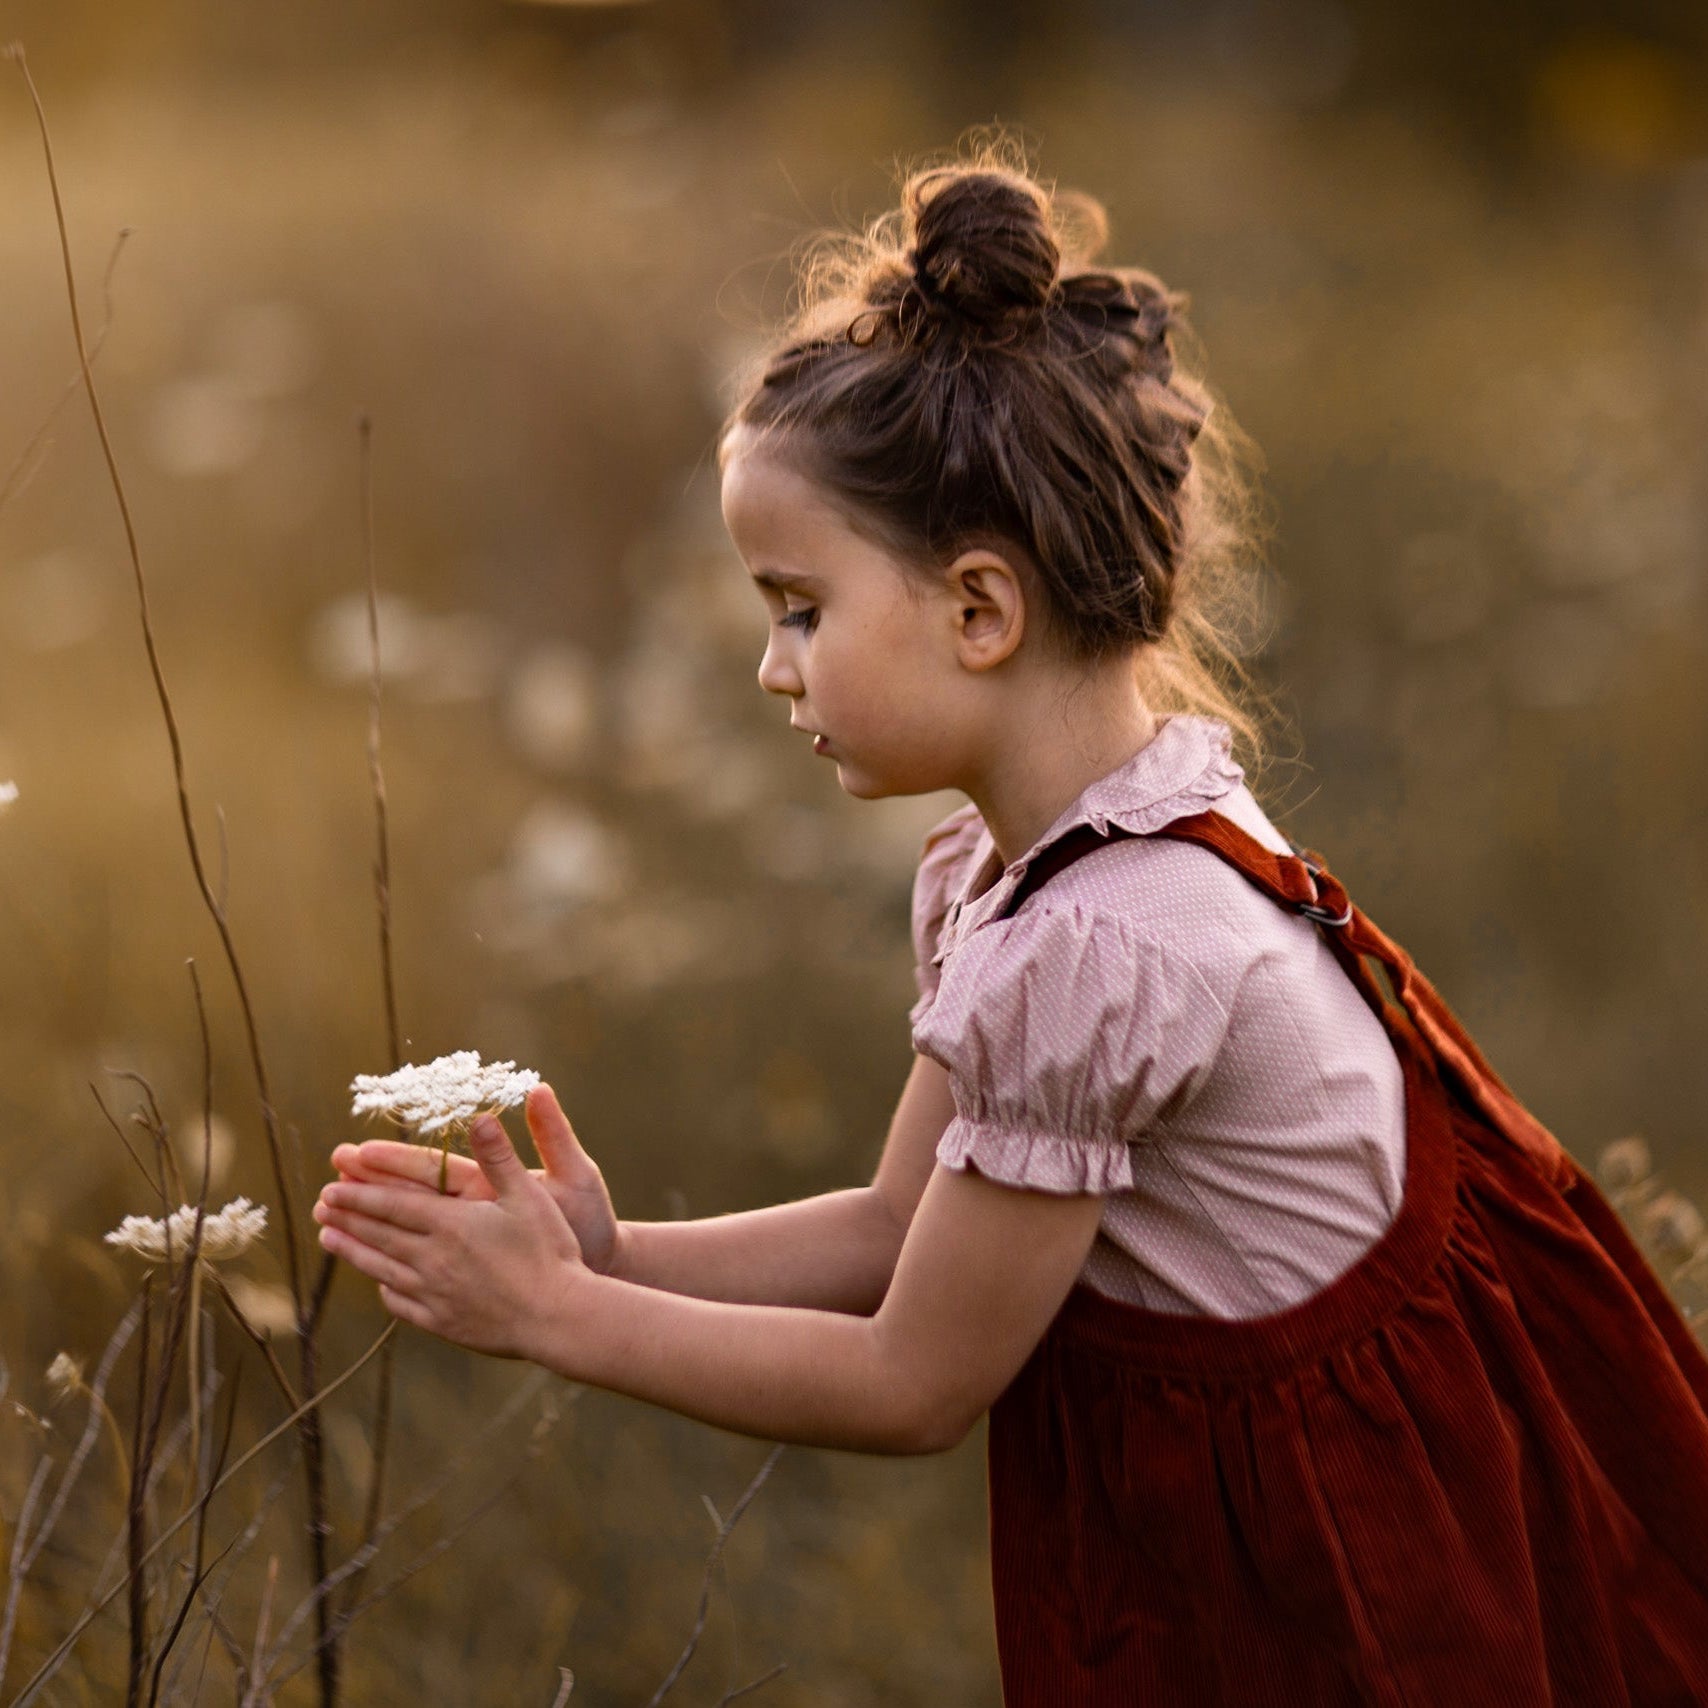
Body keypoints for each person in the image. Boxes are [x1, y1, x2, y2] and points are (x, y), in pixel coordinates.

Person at [312, 146, 1708, 1703]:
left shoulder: (1105, 944)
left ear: (981, 610)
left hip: (1359, 1587)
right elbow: (896, 1231)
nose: (775, 670)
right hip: (1274, 1535)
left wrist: (560, 1319)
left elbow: (915, 1381)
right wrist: (619, 1254)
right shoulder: (1060, 861)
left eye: (799, 607)